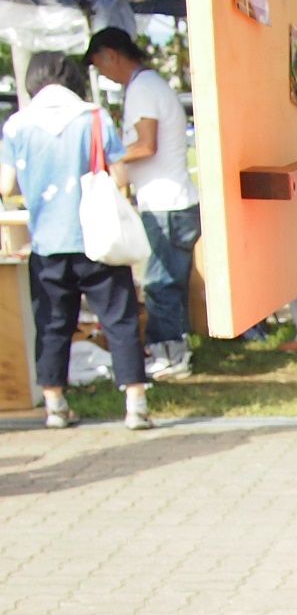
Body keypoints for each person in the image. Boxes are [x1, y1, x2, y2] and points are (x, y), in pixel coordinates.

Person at [0, 52, 151, 430]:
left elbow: (6, 185)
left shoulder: (17, 126)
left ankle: (55, 404)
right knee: (119, 319)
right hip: (98, 239)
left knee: (52, 323)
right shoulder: (94, 118)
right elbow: (119, 175)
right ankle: (135, 402)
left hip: (47, 243)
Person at [86, 26, 200, 381]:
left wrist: (108, 157)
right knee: (169, 280)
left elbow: (146, 144)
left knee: (160, 282)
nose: (104, 74)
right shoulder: (150, 85)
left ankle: (170, 353)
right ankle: (175, 348)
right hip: (172, 199)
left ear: (111, 55)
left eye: (100, 66)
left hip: (165, 203)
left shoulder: (141, 89)